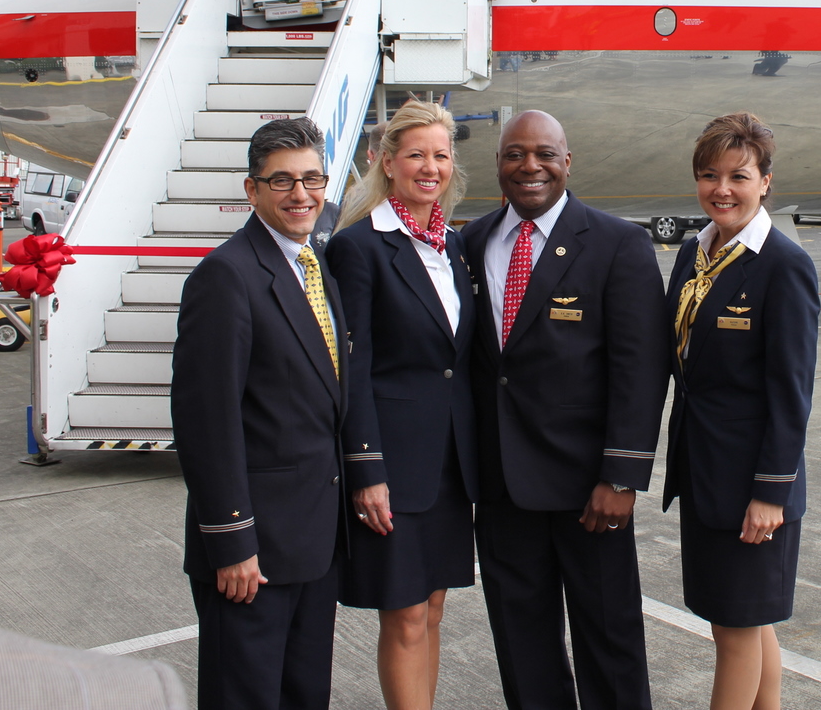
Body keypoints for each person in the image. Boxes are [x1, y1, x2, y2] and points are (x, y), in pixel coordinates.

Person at [461, 110, 671, 710]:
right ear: (498, 164)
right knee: (522, 643)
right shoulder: (471, 243)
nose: (530, 166)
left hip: (589, 490)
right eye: (514, 154)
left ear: (568, 162)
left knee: (609, 636)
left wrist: (622, 474)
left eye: (545, 153)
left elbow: (641, 368)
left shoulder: (616, 243)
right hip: (502, 487)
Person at [170, 118, 347, 710]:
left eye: (312, 179)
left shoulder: (313, 264)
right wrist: (232, 540)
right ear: (252, 190)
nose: (301, 195)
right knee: (244, 695)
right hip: (255, 549)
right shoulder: (226, 276)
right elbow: (206, 422)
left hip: (312, 541)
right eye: (282, 182)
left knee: (303, 694)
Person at [662, 113, 820, 710]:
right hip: (705, 473)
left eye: (738, 175)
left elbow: (791, 392)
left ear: (766, 181)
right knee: (748, 623)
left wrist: (771, 493)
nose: (721, 189)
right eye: (709, 175)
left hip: (752, 484)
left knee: (734, 630)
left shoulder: (782, 265)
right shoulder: (693, 255)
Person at [327, 101, 478, 710]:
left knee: (434, 609)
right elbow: (352, 368)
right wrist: (366, 469)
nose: (429, 167)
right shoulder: (359, 247)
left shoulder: (454, 246)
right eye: (416, 154)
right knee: (407, 615)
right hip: (393, 463)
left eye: (440, 156)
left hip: (447, 465)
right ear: (386, 162)